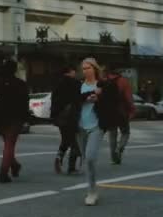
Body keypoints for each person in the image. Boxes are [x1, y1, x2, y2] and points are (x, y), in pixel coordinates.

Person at [0, 58, 29, 184]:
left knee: (7, 143)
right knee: (9, 144)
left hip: (1, 117)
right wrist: (26, 118)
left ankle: (14, 165)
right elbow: (24, 103)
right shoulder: (20, 84)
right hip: (16, 117)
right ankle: (3, 173)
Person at [78, 58, 105, 206]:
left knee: (90, 157)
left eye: (88, 68)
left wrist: (99, 98)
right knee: (86, 160)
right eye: (83, 68)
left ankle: (92, 192)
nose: (85, 71)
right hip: (80, 127)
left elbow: (111, 102)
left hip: (96, 126)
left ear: (95, 69)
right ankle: (92, 188)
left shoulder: (102, 85)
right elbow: (73, 101)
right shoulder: (79, 86)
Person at [50, 65, 81, 174]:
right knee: (74, 143)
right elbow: (80, 98)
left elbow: (54, 101)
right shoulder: (74, 84)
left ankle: (59, 158)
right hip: (71, 116)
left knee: (66, 140)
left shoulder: (57, 83)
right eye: (74, 71)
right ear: (70, 72)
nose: (75, 73)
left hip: (60, 117)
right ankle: (71, 168)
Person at [103, 63, 136, 165]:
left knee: (112, 135)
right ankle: (120, 148)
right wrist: (132, 110)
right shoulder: (123, 81)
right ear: (118, 71)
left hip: (109, 112)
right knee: (125, 133)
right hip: (121, 112)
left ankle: (114, 158)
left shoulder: (105, 81)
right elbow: (128, 98)